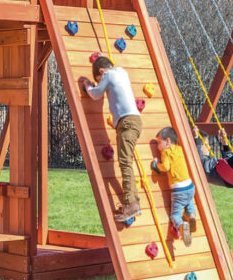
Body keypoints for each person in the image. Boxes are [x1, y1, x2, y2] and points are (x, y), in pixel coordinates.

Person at [80, 55, 142, 222]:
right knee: (126, 161)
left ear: (101, 72)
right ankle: (134, 200)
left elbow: (96, 94)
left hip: (127, 121)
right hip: (134, 120)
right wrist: (101, 58)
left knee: (125, 162)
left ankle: (131, 203)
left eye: (98, 79)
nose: (100, 83)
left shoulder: (107, 75)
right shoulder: (122, 72)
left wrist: (88, 85)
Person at [152, 127, 198, 245]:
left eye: (159, 142)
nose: (157, 147)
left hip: (179, 191)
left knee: (175, 215)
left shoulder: (165, 152)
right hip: (190, 187)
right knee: (189, 205)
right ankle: (192, 216)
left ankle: (182, 226)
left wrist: (157, 164)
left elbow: (166, 167)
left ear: (168, 141)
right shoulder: (179, 149)